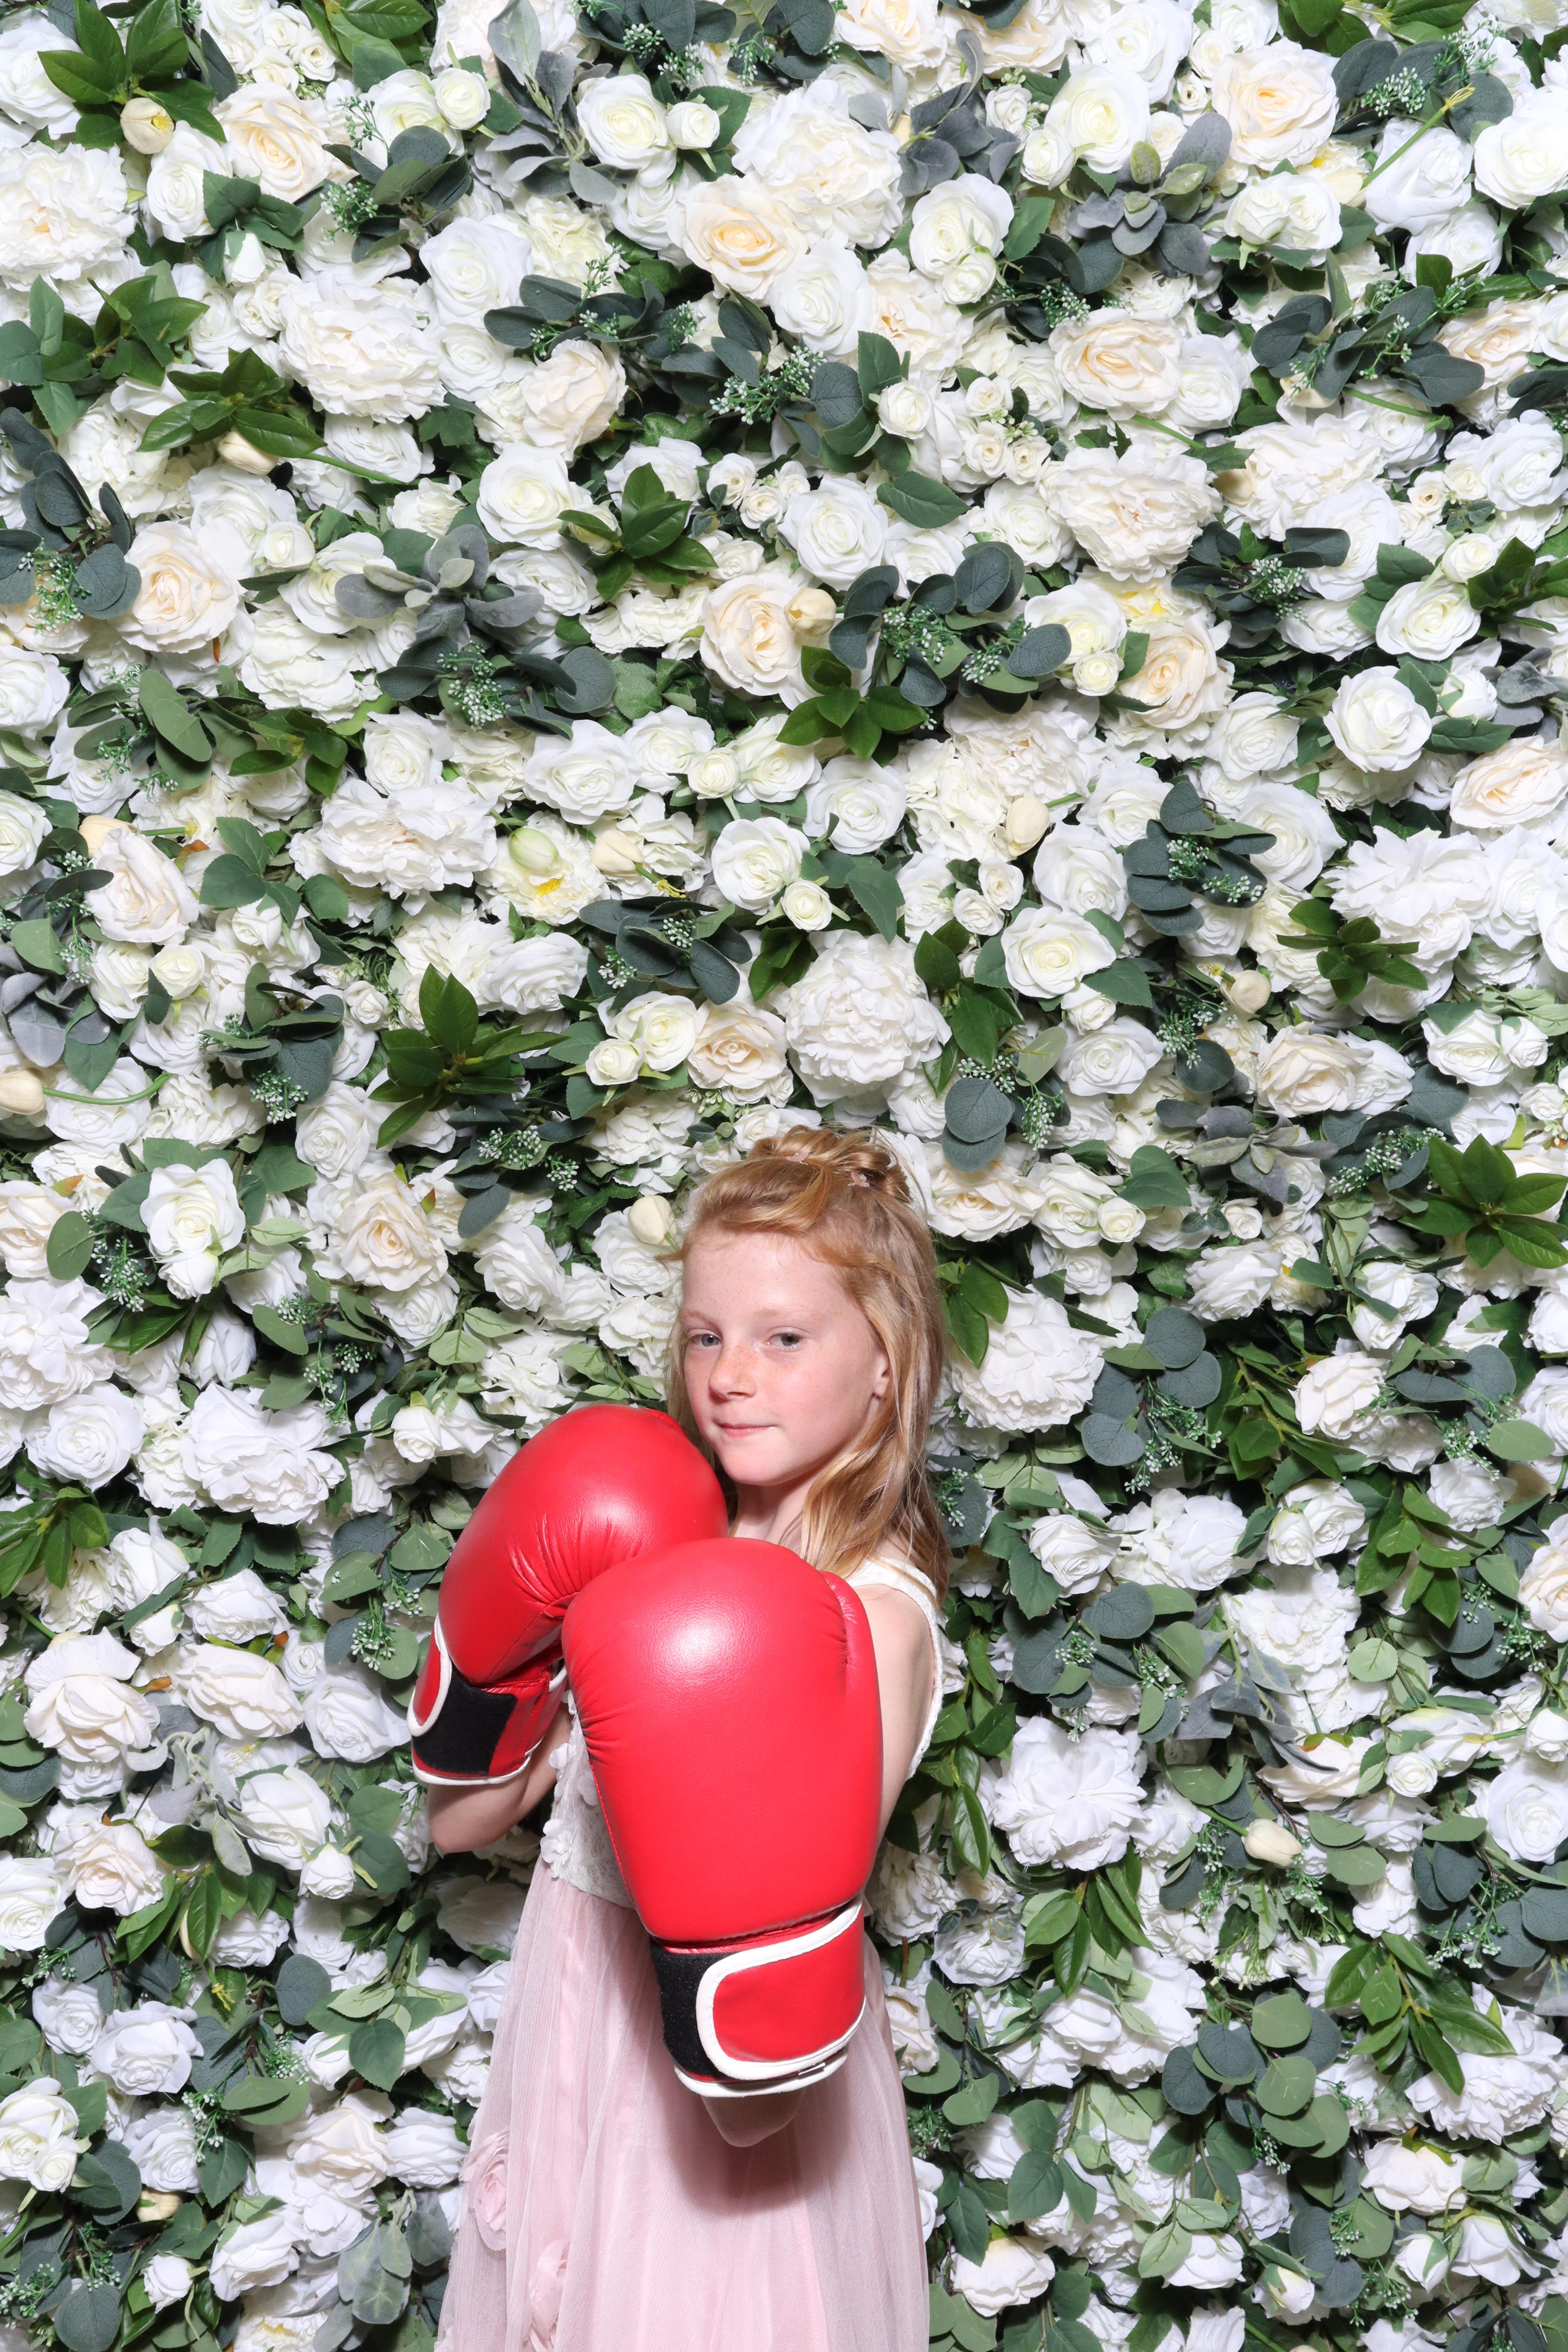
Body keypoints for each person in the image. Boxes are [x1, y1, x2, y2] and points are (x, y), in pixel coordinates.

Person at [428, 1127, 949, 2351]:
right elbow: (459, 1823)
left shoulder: (874, 1617)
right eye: (707, 1335)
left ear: (884, 1365)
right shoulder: (645, 1541)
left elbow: (751, 2106)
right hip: (575, 2034)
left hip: (713, 2119)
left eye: (783, 1338)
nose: (730, 1375)